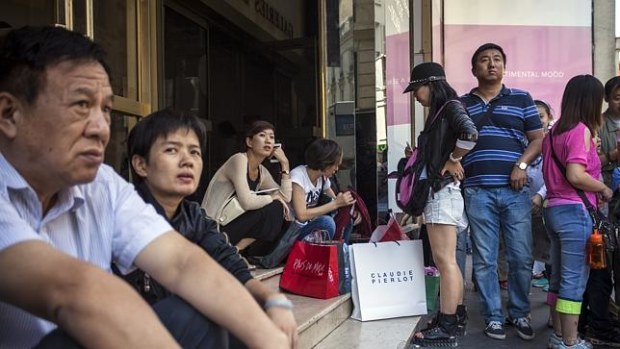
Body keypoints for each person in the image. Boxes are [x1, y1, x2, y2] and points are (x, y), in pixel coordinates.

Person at [0, 25, 289, 349]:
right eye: (81, 104)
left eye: (106, 109)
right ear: (10, 114)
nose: (100, 128)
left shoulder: (104, 185)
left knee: (207, 312)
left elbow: (185, 263)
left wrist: (272, 318)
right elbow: (75, 292)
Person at [125, 109, 298, 347]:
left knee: (248, 313)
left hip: (170, 325)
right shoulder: (124, 214)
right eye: (172, 150)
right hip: (127, 329)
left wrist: (273, 300)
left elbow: (229, 261)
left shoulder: (193, 215)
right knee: (200, 314)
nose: (187, 160)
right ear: (141, 165)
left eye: (194, 152)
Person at [460, 43, 544, 341]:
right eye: (484, 60)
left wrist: (521, 164)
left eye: (496, 59)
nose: (491, 64)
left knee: (521, 257)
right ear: (474, 70)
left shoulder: (521, 98)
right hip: (477, 190)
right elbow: (448, 143)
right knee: (484, 258)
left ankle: (519, 312)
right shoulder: (462, 103)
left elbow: (537, 139)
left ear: (504, 67)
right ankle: (493, 317)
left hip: (515, 190)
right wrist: (452, 161)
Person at [403, 62, 478, 347]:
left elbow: (470, 134)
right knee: (448, 261)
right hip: (444, 192)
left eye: (417, 88)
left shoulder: (449, 107)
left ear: (431, 84)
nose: (415, 95)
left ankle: (447, 326)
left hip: (441, 192)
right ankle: (452, 317)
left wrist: (454, 159)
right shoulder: (444, 111)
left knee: (444, 261)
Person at [542, 74, 612, 349]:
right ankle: (570, 342)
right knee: (574, 278)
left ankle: (559, 334)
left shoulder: (554, 131)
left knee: (558, 275)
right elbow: (576, 175)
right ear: (591, 101)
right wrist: (603, 189)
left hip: (554, 211)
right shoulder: (580, 130)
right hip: (574, 212)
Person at [201, 121, 292, 260]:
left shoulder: (262, 171)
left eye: (272, 137)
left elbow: (285, 197)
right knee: (273, 205)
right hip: (213, 229)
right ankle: (230, 253)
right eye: (262, 135)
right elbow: (247, 202)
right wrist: (272, 197)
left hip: (230, 227)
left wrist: (285, 164)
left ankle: (233, 252)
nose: (268, 140)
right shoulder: (239, 160)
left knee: (277, 209)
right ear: (249, 142)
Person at [577, 76, 620, 347]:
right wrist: (614, 157)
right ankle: (598, 321)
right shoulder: (597, 125)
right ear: (606, 98)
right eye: (617, 96)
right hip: (605, 205)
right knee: (600, 269)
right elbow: (588, 165)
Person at [288, 138, 356, 241]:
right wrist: (337, 203)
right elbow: (301, 215)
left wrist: (351, 210)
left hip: (311, 227)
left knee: (347, 219)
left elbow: (335, 201)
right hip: (295, 231)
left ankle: (340, 251)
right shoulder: (298, 176)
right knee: (327, 222)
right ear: (326, 162)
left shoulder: (322, 178)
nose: (336, 169)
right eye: (335, 165)